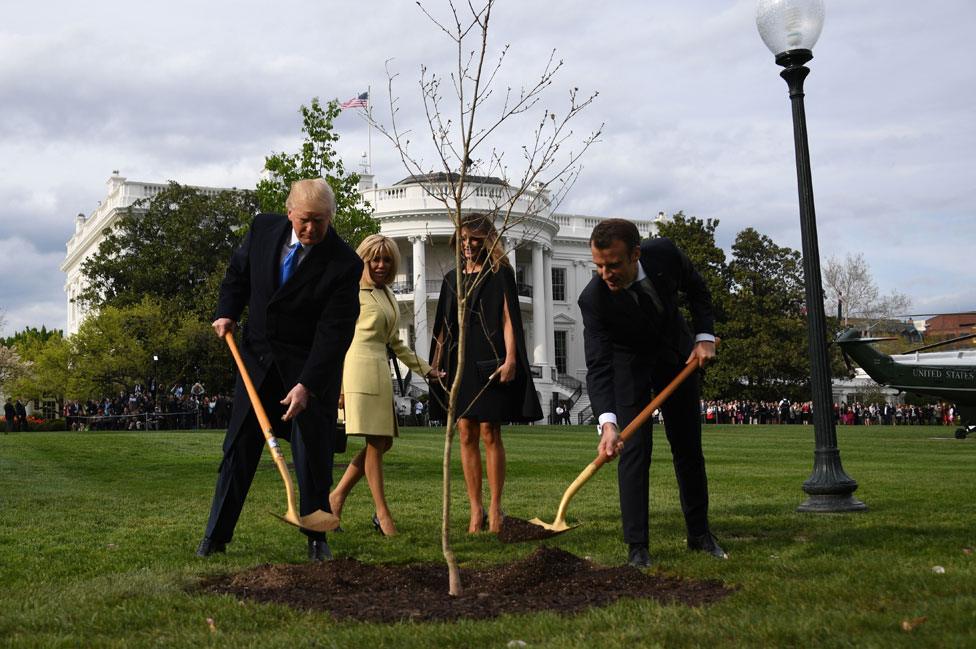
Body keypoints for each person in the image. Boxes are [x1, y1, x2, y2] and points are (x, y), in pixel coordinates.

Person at [196, 178, 362, 562]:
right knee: (238, 449)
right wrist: (226, 311)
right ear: (290, 212)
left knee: (313, 456)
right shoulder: (263, 229)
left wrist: (307, 384)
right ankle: (215, 537)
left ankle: (317, 539)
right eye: (304, 220)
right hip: (256, 362)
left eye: (320, 221)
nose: (311, 229)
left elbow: (334, 333)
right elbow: (238, 275)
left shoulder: (344, 263)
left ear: (330, 217)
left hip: (308, 369)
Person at [578, 218, 724, 568]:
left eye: (613, 265)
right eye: (598, 265)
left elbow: (698, 289)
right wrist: (608, 423)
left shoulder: (665, 254)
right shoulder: (593, 300)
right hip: (629, 364)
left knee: (688, 446)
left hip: (677, 355)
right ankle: (637, 546)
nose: (605, 273)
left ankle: (700, 534)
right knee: (634, 449)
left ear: (636, 255)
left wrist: (704, 336)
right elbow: (598, 365)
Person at [430, 214, 542, 533]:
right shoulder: (452, 279)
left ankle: (495, 507)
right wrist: (436, 364)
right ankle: (475, 510)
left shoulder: (499, 274)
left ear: (488, 239)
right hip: (459, 361)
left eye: (474, 238)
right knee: (465, 431)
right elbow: (442, 326)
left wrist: (511, 359)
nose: (467, 245)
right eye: (463, 239)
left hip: (489, 357)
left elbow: (508, 319)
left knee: (490, 431)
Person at [329, 235, 443, 537]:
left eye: (387, 260)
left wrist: (428, 370)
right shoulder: (352, 292)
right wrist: (338, 386)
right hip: (356, 370)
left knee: (383, 443)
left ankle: (336, 497)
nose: (381, 265)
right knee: (377, 444)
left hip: (380, 371)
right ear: (363, 260)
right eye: (374, 259)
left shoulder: (387, 294)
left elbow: (396, 344)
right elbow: (336, 339)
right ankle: (382, 513)